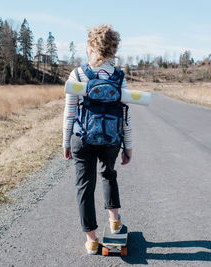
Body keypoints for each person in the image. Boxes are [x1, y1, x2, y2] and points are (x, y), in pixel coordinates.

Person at [62, 24, 132, 255]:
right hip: (111, 139)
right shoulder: (118, 77)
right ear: (113, 49)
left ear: (91, 47)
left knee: (85, 186)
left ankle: (91, 240)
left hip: (83, 138)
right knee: (109, 174)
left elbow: (70, 112)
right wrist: (128, 146)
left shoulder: (78, 75)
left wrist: (65, 141)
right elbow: (125, 116)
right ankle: (114, 221)